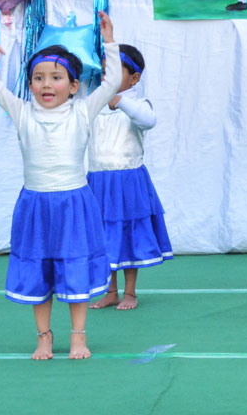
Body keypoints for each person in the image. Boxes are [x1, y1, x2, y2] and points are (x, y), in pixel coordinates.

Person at [0, 12, 120, 359]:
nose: (46, 84)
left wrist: (110, 42)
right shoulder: (23, 112)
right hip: (35, 207)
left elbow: (112, 82)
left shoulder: (82, 112)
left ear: (73, 85)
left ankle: (78, 336)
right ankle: (44, 337)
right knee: (38, 270)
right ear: (30, 85)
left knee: (75, 268)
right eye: (38, 78)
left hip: (74, 205)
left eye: (56, 77)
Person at [86, 44, 172, 311]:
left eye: (114, 71)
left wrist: (121, 102)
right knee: (104, 236)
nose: (107, 77)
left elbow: (149, 121)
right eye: (104, 71)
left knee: (129, 235)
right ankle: (111, 291)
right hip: (98, 181)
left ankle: (130, 292)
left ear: (134, 78)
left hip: (127, 182)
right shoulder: (94, 103)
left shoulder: (137, 104)